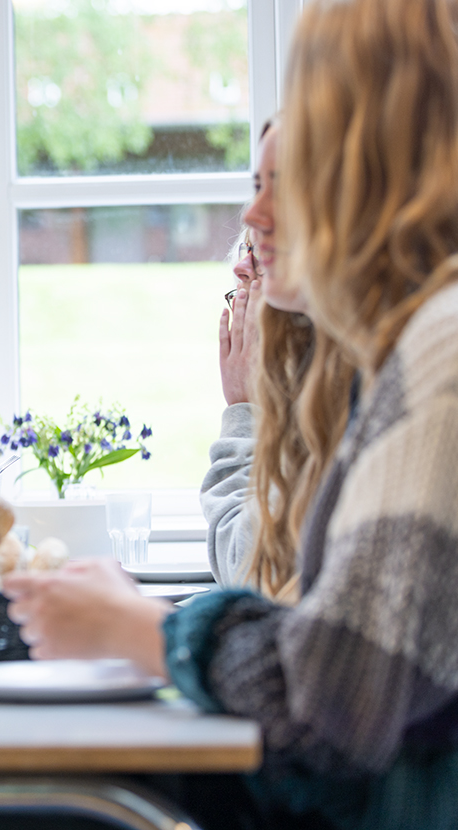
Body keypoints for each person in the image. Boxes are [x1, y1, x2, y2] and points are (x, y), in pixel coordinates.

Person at [6, 0, 458, 826]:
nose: (255, 214)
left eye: (301, 166)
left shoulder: (453, 345)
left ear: (382, 156)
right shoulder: (427, 340)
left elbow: (336, 690)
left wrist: (144, 632)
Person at [200, 123, 357, 599]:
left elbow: (253, 573)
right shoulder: (308, 381)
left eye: (254, 253)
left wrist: (245, 411)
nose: (240, 266)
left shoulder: (342, 388)